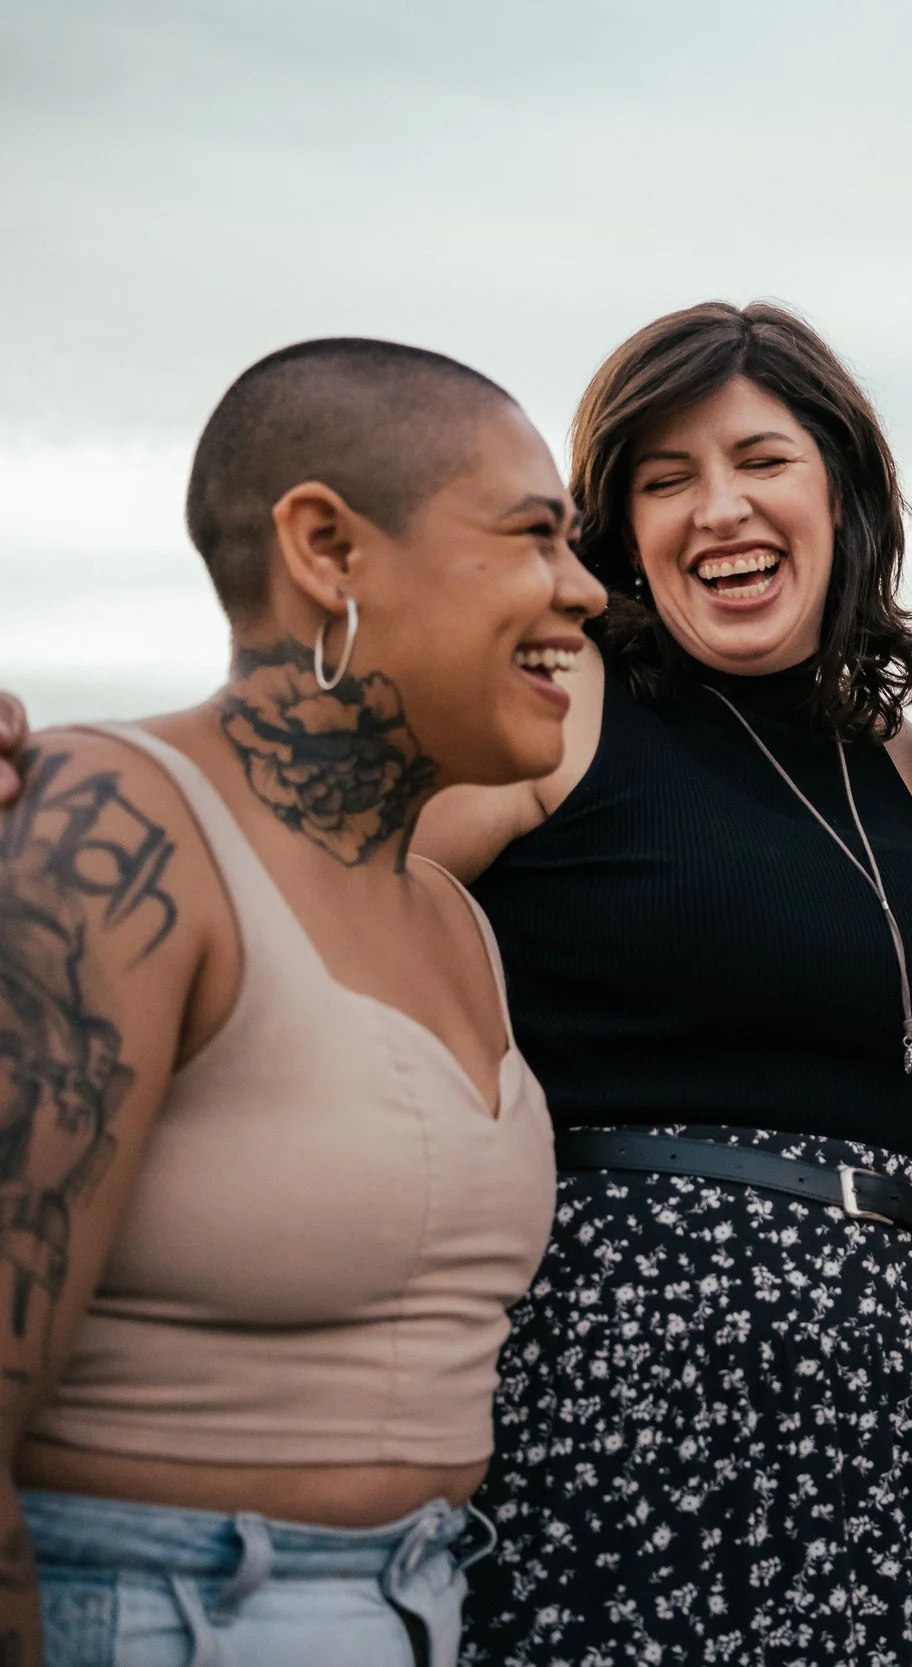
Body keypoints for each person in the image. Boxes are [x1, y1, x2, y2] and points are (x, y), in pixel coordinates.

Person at [415, 301, 912, 1666]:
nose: (720, 508)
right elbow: (329, 889)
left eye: (761, 459)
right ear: (617, 527)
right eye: (665, 478)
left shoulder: (899, 765)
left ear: (841, 489)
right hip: (627, 1401)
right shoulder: (562, 694)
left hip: (905, 1399)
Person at [0, 338, 594, 1664]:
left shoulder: (449, 915)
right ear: (327, 546)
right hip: (152, 1613)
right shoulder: (111, 831)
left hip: (426, 1604)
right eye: (535, 535)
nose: (586, 588)